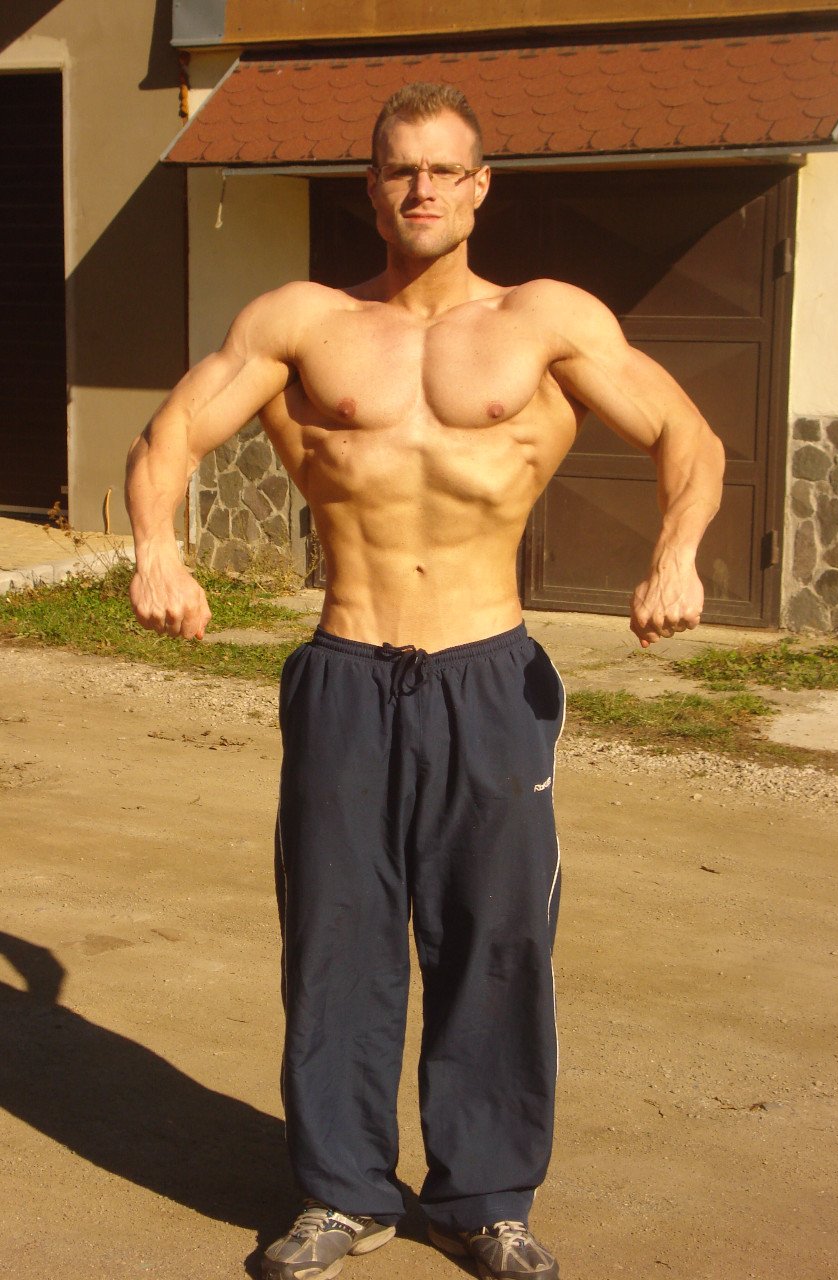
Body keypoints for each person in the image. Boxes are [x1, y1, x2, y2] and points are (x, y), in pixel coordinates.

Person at [126, 82, 725, 1280]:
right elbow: (171, 435)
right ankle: (341, 1191)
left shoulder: (544, 319)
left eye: (445, 169)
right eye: (401, 168)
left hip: (487, 672)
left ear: (480, 185)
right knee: (336, 940)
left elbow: (687, 436)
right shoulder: (301, 321)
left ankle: (484, 1197)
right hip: (348, 665)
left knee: (496, 938)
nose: (422, 188)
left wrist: (676, 555)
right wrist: (157, 550)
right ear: (371, 186)